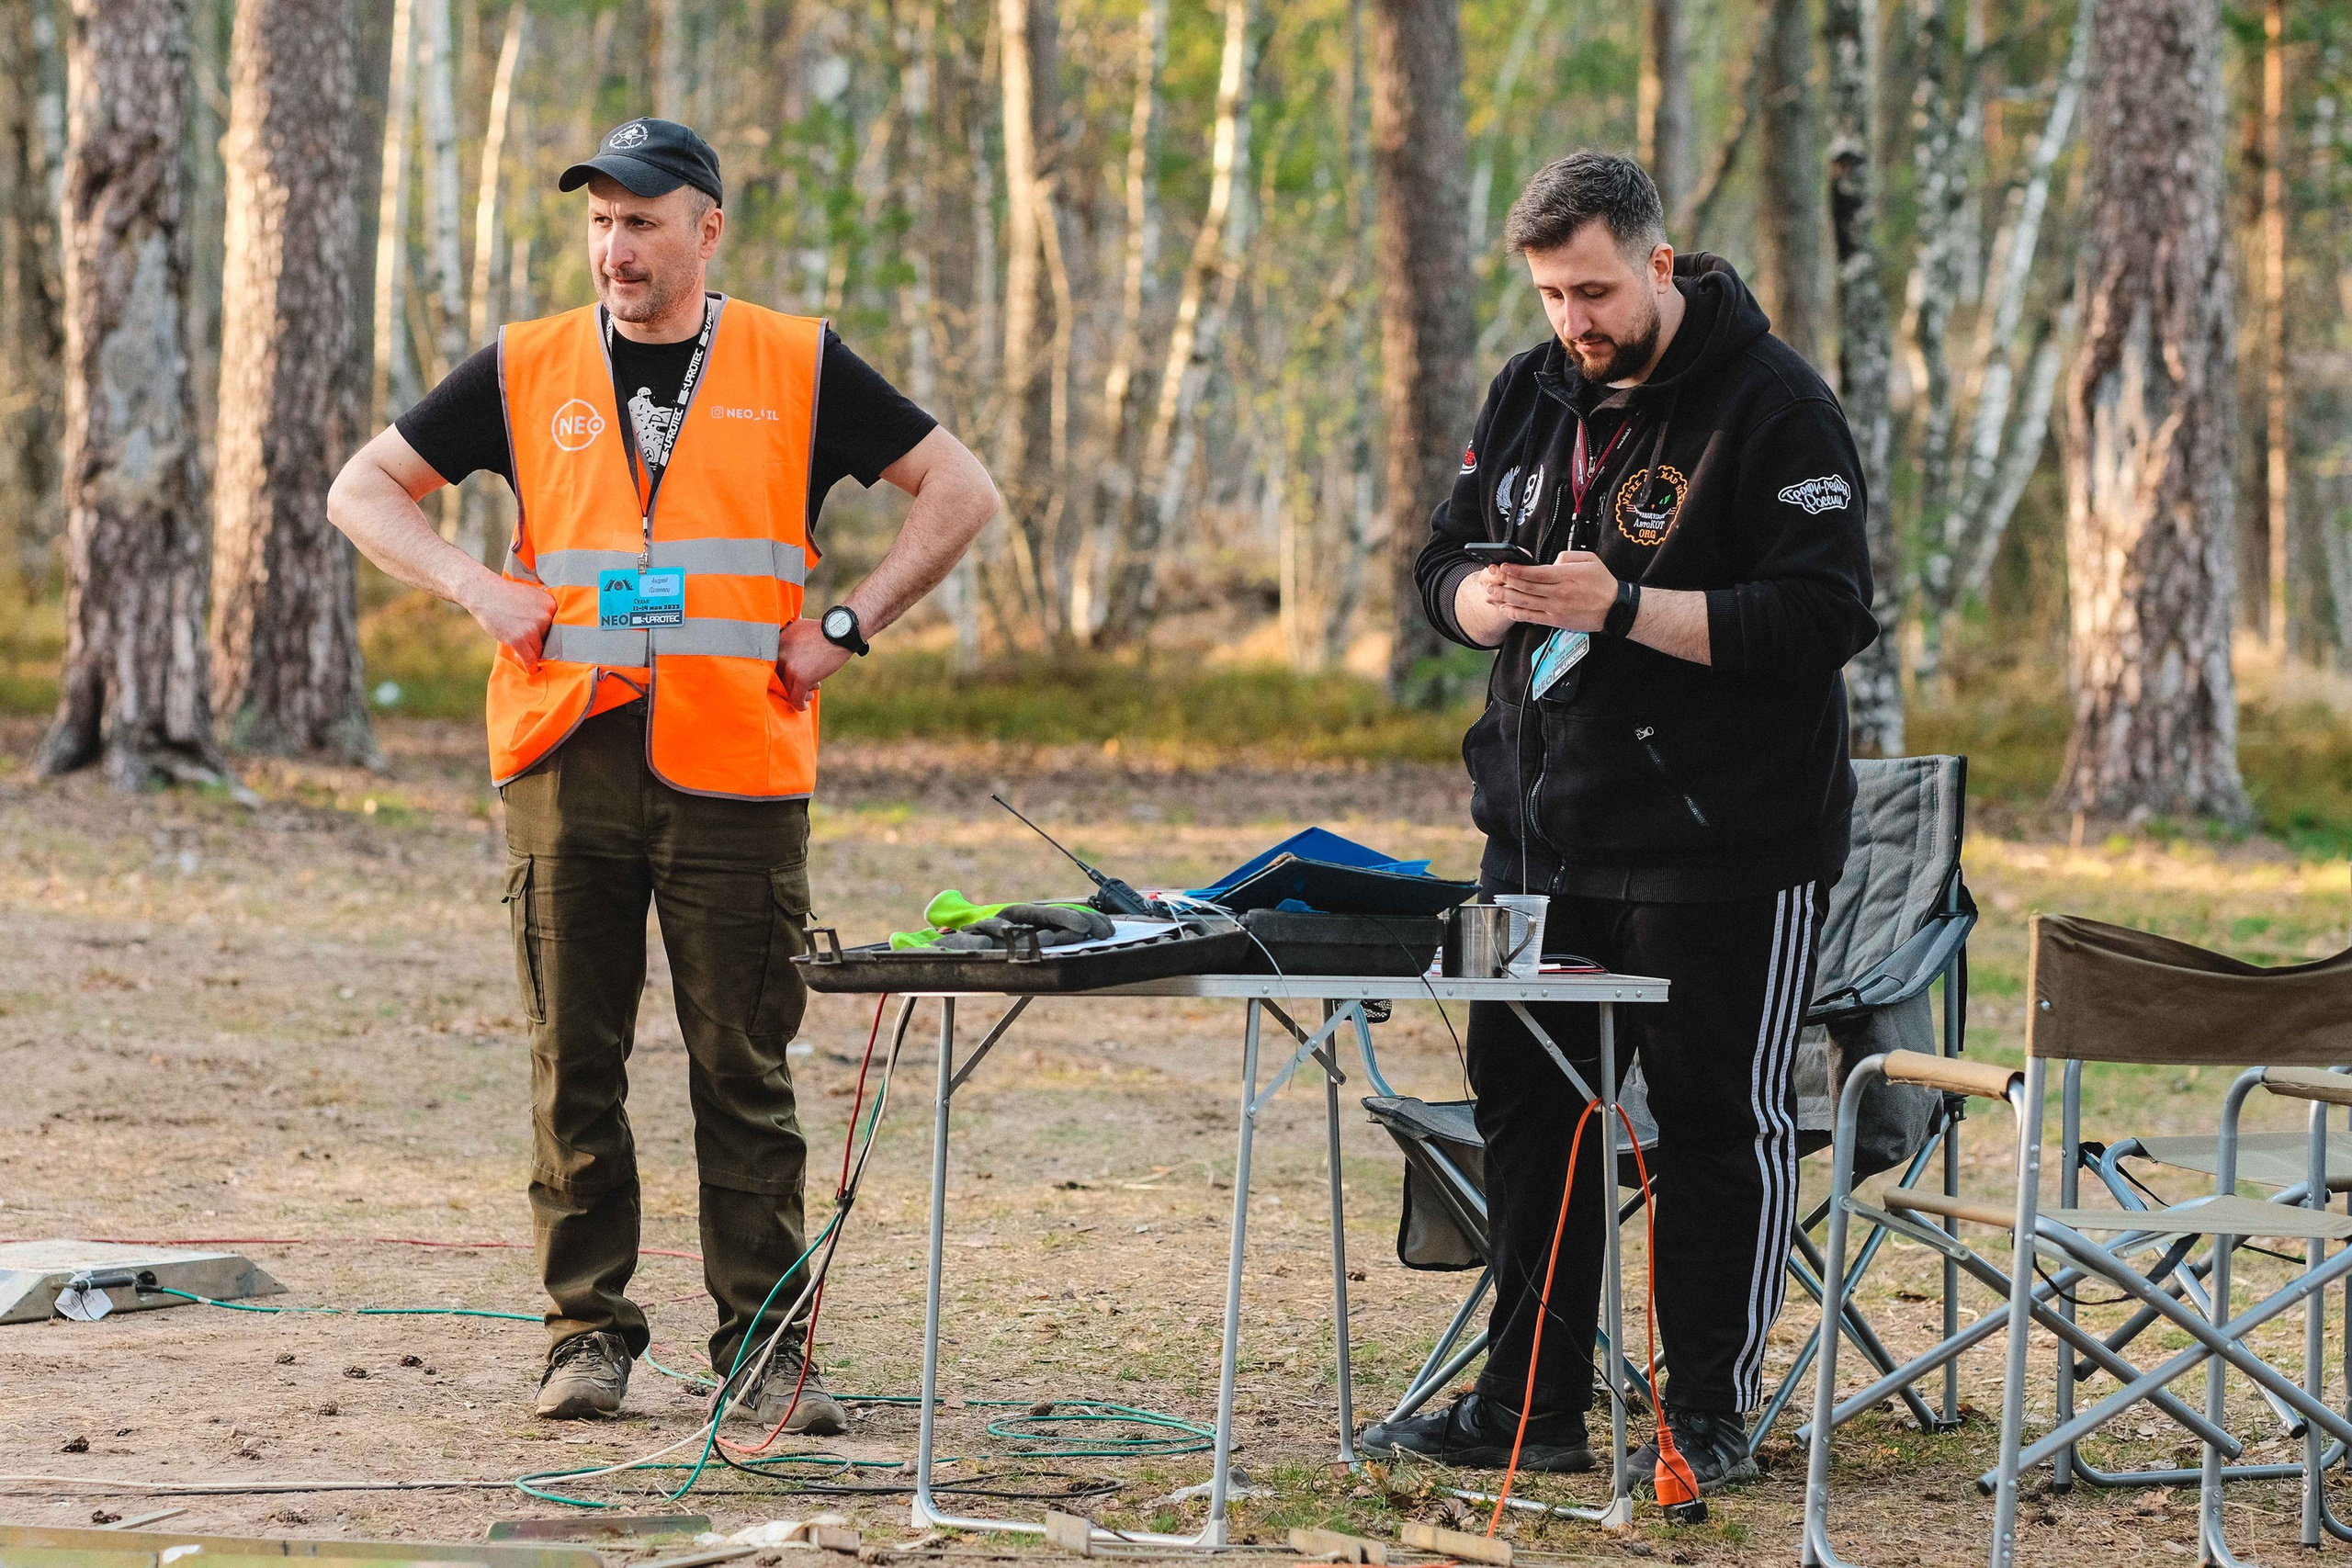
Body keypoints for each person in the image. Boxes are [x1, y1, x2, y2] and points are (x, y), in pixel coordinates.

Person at [327, 118, 1000, 1427]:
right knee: (572, 1059)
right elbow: (364, 488)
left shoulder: (794, 361)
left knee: (741, 1066)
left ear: (707, 229)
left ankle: (765, 1348)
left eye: (642, 222)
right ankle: (588, 1339)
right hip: (565, 758)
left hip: (737, 764)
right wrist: (474, 586)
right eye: (599, 222)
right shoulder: (525, 365)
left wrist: (848, 624)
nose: (616, 248)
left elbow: (960, 490)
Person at [1357, 152, 1877, 1491]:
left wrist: (1623, 608)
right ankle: (1527, 1408)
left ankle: (1704, 1412)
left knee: (1713, 1123)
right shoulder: (1530, 389)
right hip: (1537, 836)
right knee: (1530, 1111)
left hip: (1727, 847)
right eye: (1548, 295)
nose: (1573, 322)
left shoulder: (1775, 406)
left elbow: (1825, 620)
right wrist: (1481, 602)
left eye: (1592, 290)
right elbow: (1445, 556)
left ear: (1658, 262)